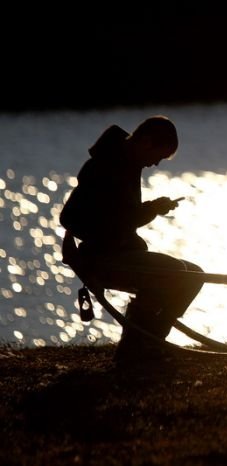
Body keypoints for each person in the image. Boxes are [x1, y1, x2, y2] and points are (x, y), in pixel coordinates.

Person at [60, 115, 203, 362]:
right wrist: (151, 210)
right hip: (102, 258)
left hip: (121, 253)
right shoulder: (104, 166)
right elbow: (76, 218)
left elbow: (122, 216)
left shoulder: (126, 164)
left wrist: (151, 208)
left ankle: (150, 342)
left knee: (194, 275)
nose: (156, 164)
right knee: (173, 272)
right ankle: (136, 349)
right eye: (158, 155)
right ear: (146, 142)